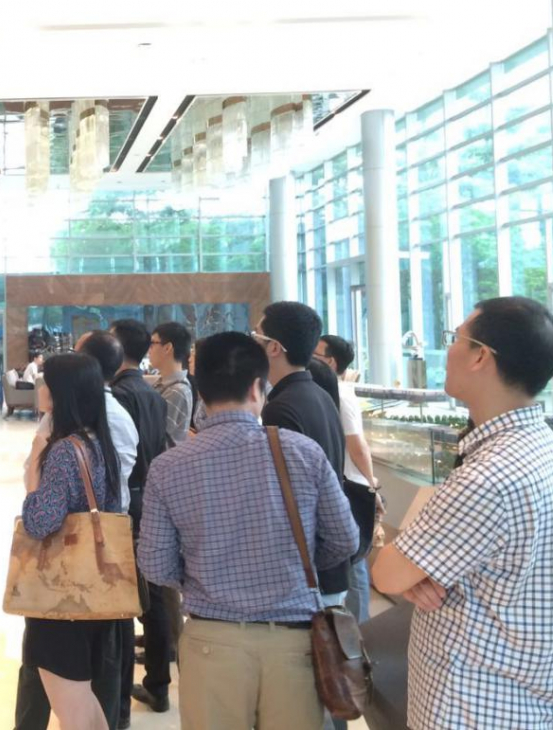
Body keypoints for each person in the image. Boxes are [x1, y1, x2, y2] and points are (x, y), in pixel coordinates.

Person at [372, 298, 553, 730]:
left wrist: (414, 570)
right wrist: (420, 573)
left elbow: (388, 574)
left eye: (456, 338)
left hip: (474, 708)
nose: (448, 350)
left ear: (481, 356)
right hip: (527, 704)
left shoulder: (488, 476)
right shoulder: (544, 446)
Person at [138, 332, 358, 730]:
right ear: (259, 387)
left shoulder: (168, 467)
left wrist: (200, 576)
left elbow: (154, 564)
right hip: (294, 642)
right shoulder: (302, 451)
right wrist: (300, 564)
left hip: (210, 641)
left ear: (201, 392)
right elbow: (345, 538)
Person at [14, 331, 138, 730]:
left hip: (61, 595)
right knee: (85, 703)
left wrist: (36, 466)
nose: (41, 388)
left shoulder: (64, 450)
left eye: (47, 382)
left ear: (61, 393)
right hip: (93, 587)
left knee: (74, 708)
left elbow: (40, 521)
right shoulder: (99, 441)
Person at [252, 302, 349, 608]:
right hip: (326, 568)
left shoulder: (281, 407)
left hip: (307, 574)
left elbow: (287, 497)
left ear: (274, 348)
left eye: (256, 335)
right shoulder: (320, 395)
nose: (252, 343)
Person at [109, 319, 172, 723]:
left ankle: (130, 689)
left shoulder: (119, 396)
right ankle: (158, 682)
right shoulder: (153, 394)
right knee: (155, 595)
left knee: (128, 594)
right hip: (150, 495)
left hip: (127, 500)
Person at [313, 334, 380, 624]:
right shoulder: (325, 391)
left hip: (352, 486)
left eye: (316, 354)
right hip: (340, 484)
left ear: (330, 362)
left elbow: (357, 444)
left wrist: (371, 484)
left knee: (354, 560)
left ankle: (360, 626)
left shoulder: (342, 394)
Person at [148, 322, 195, 445]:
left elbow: (156, 437)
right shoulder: (165, 384)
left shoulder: (176, 390)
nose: (149, 350)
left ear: (167, 348)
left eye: (152, 343)